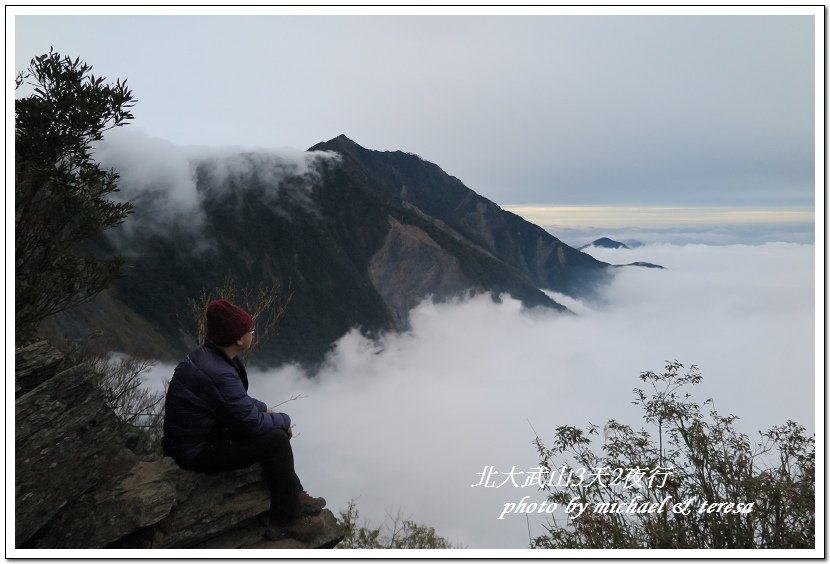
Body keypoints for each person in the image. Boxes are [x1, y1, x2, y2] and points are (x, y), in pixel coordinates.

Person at [163, 299, 325, 541]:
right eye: (249, 330)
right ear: (239, 339)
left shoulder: (210, 357)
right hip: (195, 451)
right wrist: (283, 419)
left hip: (197, 437)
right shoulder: (218, 371)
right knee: (277, 440)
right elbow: (252, 423)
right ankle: (285, 520)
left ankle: (294, 493)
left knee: (270, 430)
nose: (252, 333)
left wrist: (264, 409)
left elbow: (232, 401)